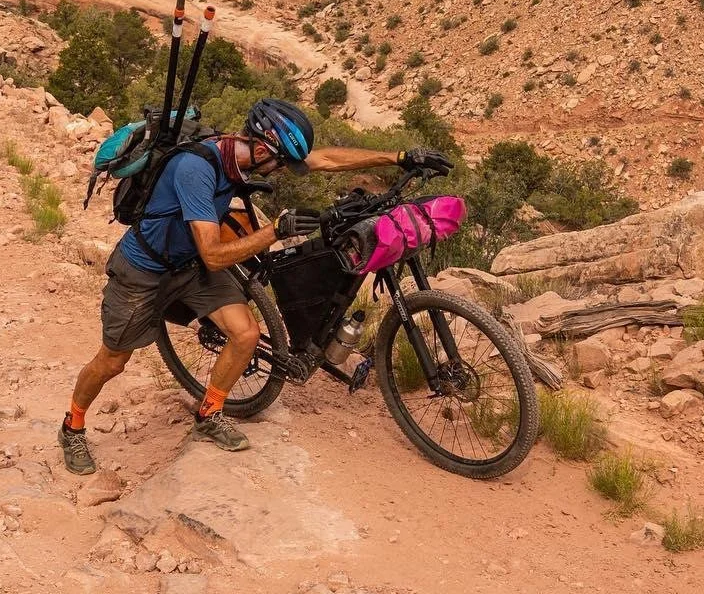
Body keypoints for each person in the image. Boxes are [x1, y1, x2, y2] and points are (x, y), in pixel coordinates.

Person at [59, 97, 450, 474]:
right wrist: (274, 231)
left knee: (245, 334)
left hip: (189, 265)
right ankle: (72, 426)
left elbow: (325, 158)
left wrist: (399, 157)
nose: (283, 171)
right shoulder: (196, 169)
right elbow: (213, 255)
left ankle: (209, 413)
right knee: (113, 360)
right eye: (281, 163)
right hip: (145, 270)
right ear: (263, 149)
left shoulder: (245, 153)